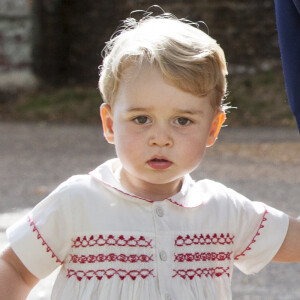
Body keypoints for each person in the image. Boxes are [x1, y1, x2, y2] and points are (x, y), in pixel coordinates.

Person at [0, 10, 300, 300]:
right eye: (141, 119)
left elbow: (293, 240)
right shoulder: (77, 202)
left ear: (212, 128)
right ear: (109, 124)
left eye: (182, 120)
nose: (160, 139)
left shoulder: (224, 210)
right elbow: (15, 267)